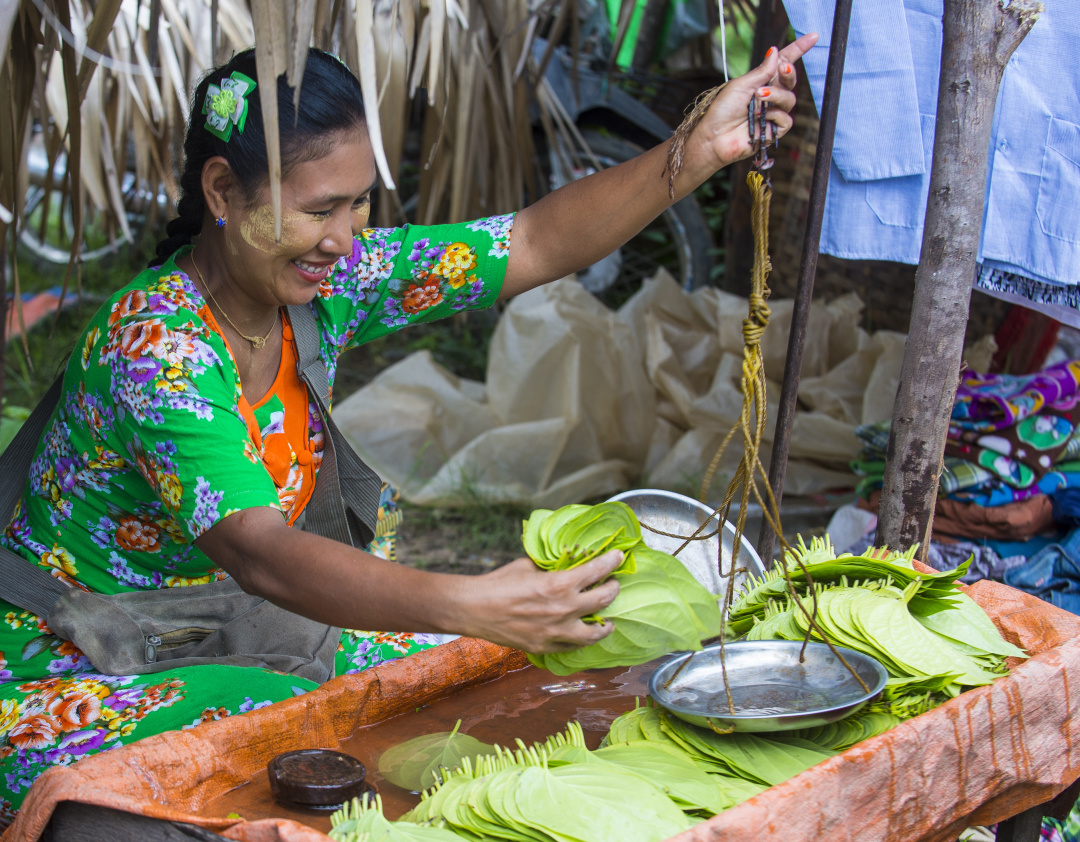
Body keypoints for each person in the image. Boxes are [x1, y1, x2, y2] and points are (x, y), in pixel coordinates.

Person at [0, 35, 816, 824]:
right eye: (320, 208)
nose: (344, 239)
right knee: (303, 735)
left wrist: (696, 150)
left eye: (359, 205)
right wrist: (471, 600)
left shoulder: (325, 283)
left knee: (442, 681)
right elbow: (259, 549)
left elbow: (531, 241)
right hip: (73, 659)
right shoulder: (158, 348)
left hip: (221, 623)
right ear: (221, 192)